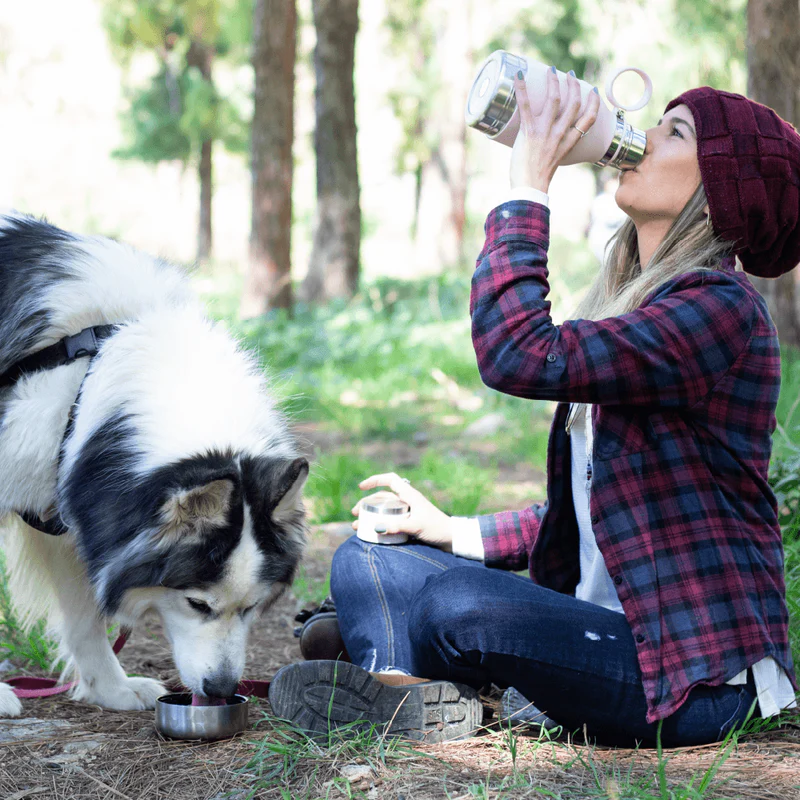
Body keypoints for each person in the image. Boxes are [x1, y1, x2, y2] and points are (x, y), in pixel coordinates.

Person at [269, 70, 799, 747]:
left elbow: (518, 352)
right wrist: (447, 529)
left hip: (690, 672)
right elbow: (596, 510)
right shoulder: (639, 303)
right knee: (368, 557)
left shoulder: (720, 309)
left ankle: (403, 658)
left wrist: (528, 183)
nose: (642, 137)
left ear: (720, 188)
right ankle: (402, 688)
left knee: (456, 605)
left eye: (677, 131)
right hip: (605, 626)